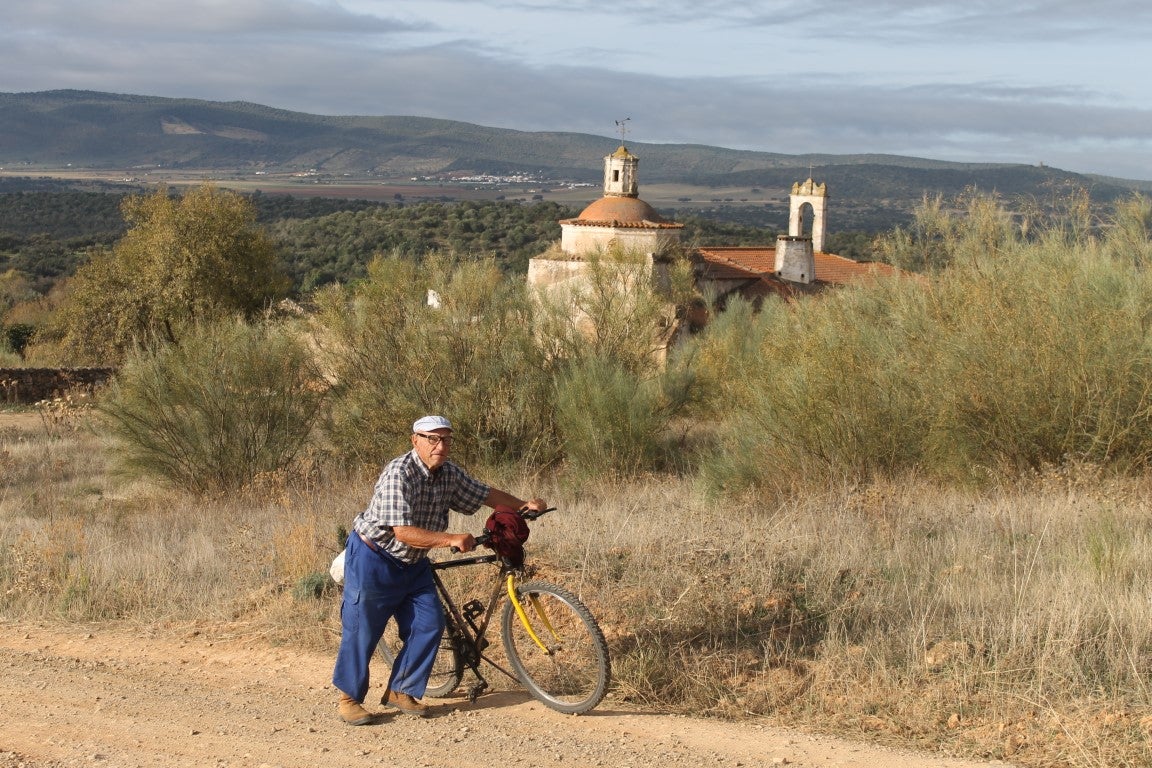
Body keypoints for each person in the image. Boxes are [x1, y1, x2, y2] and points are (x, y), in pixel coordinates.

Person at [332, 415, 547, 725]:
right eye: (432, 439)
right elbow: (402, 531)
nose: (440, 445)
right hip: (374, 557)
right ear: (415, 440)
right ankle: (349, 698)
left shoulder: (448, 473)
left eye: (445, 439)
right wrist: (451, 539)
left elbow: (485, 494)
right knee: (364, 628)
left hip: (415, 561)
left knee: (429, 623)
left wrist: (523, 505)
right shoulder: (399, 473)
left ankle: (401, 690)